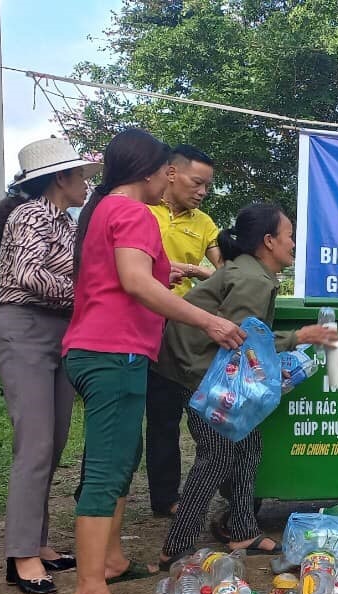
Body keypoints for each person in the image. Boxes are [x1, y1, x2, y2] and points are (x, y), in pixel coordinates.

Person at [62, 128, 245, 594]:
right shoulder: (133, 211)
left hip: (102, 348)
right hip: (112, 351)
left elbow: (122, 279)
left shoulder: (104, 209)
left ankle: (113, 562)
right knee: (106, 469)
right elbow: (134, 282)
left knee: (122, 458)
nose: (171, 179)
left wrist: (164, 277)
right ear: (151, 171)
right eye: (167, 170)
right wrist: (207, 319)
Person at [155, 204, 338, 567]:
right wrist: (300, 336)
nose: (293, 244)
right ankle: (175, 548)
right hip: (198, 373)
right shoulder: (251, 279)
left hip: (206, 369)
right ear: (268, 241)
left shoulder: (254, 273)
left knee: (249, 443)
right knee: (218, 456)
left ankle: (241, 530)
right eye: (289, 236)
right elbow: (241, 345)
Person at [0, 138, 101, 594]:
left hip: (56, 331)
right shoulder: (32, 214)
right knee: (34, 445)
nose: (85, 187)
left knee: (51, 445)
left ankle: (37, 541)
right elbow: (29, 276)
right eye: (80, 178)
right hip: (25, 329)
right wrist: (90, 296)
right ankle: (21, 556)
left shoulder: (65, 224)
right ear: (60, 179)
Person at [145, 145, 222, 518]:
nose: (202, 191)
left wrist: (204, 272)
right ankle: (108, 494)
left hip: (180, 327)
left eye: (207, 186)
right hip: (138, 319)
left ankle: (169, 497)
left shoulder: (204, 223)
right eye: (197, 182)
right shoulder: (142, 210)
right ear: (171, 174)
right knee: (144, 416)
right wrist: (188, 269)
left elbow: (223, 268)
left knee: (177, 412)